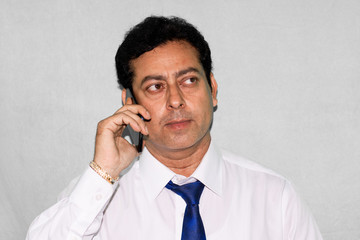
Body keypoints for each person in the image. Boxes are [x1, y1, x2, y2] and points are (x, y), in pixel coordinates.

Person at [26, 16, 323, 240]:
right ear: (129, 102)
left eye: (189, 81)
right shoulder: (96, 197)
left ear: (213, 89)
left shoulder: (275, 196)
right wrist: (103, 173)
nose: (176, 100)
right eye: (155, 86)